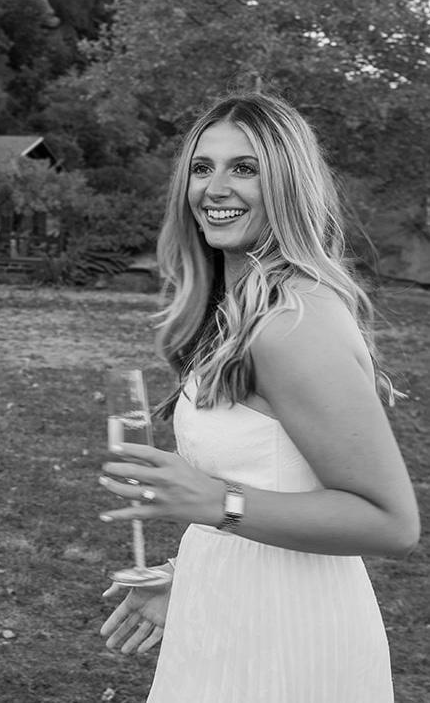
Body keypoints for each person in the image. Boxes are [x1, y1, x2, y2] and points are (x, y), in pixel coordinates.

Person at [98, 92, 420, 702]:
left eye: (244, 168)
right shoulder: (241, 312)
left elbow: (391, 523)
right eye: (202, 167)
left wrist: (214, 501)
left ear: (288, 186)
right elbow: (279, 483)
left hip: (288, 642)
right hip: (224, 617)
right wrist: (191, 574)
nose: (215, 188)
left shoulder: (292, 321)